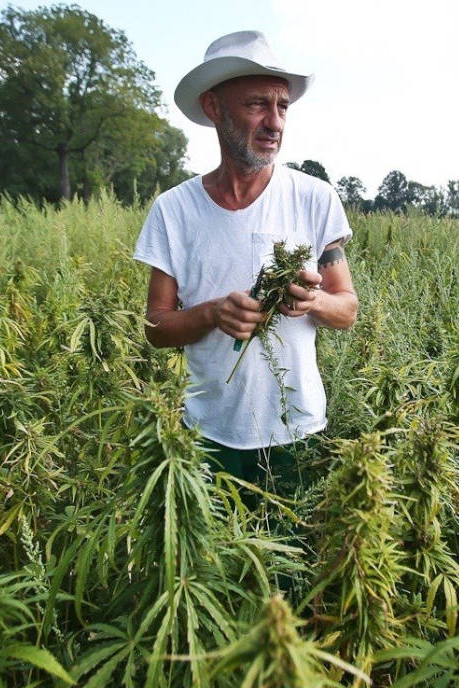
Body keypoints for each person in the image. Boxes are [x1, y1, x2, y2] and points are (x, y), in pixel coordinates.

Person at [133, 30, 357, 497]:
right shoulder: (174, 211)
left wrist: (312, 300)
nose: (274, 122)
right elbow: (155, 328)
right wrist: (212, 313)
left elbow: (347, 309)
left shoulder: (314, 199)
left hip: (296, 433)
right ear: (214, 107)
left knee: (291, 566)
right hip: (207, 434)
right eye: (257, 104)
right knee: (213, 567)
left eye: (282, 107)